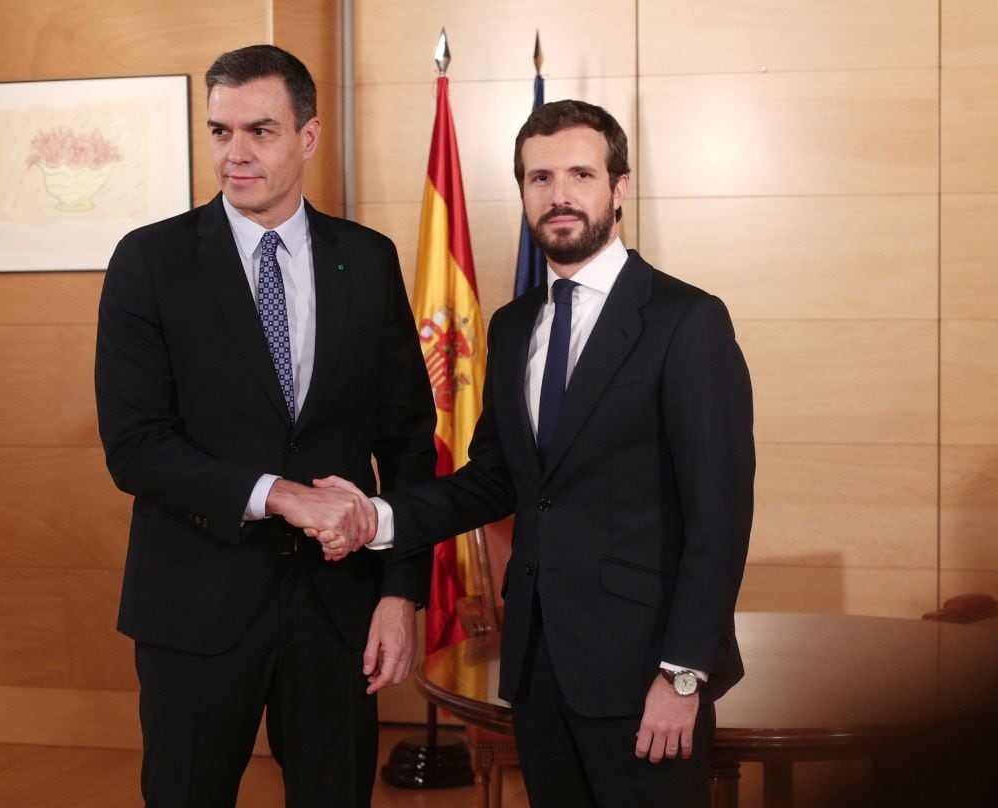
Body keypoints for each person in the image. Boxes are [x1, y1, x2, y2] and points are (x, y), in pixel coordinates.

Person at [305, 100, 755, 807]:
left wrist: (682, 676)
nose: (560, 194)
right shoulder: (513, 327)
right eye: (539, 178)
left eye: (581, 173)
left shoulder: (686, 320)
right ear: (521, 192)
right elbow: (494, 482)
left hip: (645, 677)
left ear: (620, 187)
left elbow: (719, 515)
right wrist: (376, 516)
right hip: (539, 672)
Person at [94, 44, 435, 808]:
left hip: (339, 608)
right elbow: (135, 446)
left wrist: (399, 595)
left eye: (259, 130)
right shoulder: (150, 262)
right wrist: (280, 494)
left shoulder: (369, 260)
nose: (234, 154)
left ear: (308, 137)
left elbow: (410, 440)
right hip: (194, 599)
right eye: (219, 132)